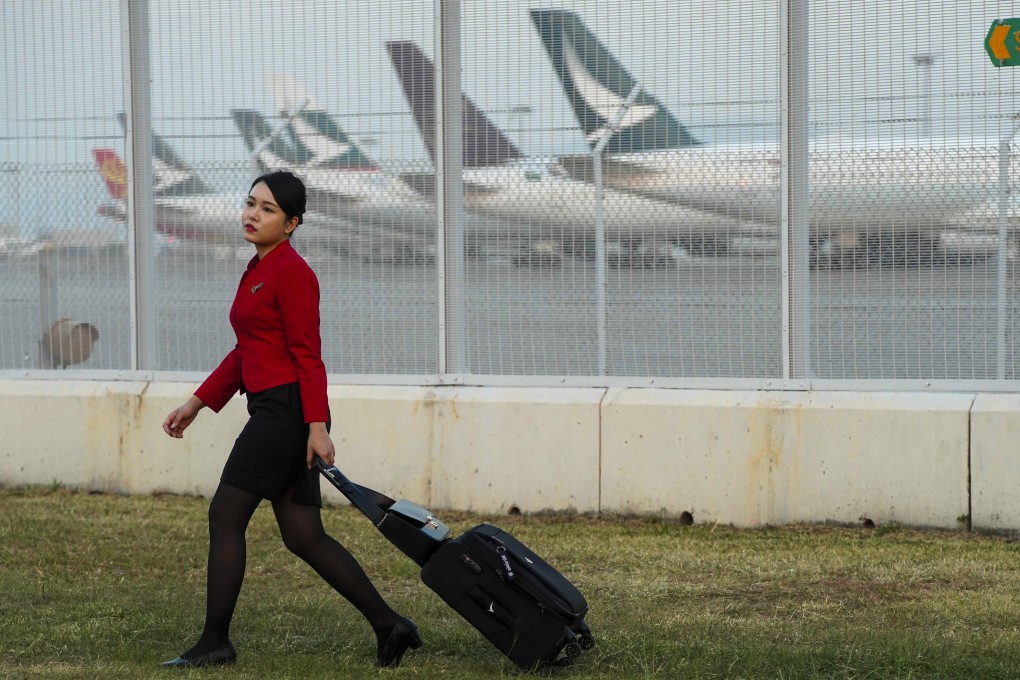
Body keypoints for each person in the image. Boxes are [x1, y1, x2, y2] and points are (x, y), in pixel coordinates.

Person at [160, 170, 421, 669]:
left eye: (268, 209)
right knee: (303, 536)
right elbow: (246, 351)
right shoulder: (257, 268)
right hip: (276, 409)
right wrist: (196, 403)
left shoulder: (293, 273)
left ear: (292, 223)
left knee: (225, 515)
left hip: (285, 413)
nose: (252, 214)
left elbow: (309, 356)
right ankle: (392, 626)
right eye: (251, 203)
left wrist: (317, 426)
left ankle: (215, 642)